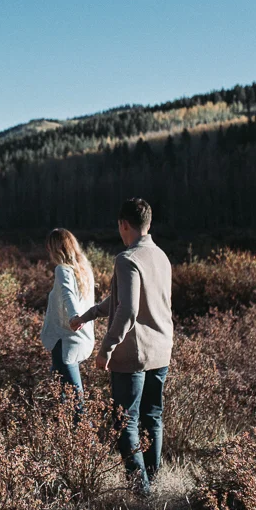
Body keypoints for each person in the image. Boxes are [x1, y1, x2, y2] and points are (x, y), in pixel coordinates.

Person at [70, 198, 173, 495]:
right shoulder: (162, 257)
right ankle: (153, 482)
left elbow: (127, 310)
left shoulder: (127, 259)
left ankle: (141, 491)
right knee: (152, 416)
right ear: (148, 224)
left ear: (123, 224)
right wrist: (87, 316)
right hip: (161, 350)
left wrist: (106, 350)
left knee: (125, 421)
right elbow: (118, 301)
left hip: (133, 354)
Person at [41, 228, 96, 400]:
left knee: (75, 402)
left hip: (66, 342)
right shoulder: (84, 270)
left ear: (56, 249)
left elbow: (67, 294)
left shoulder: (62, 269)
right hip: (81, 340)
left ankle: (86, 427)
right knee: (63, 396)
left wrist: (74, 317)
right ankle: (65, 426)